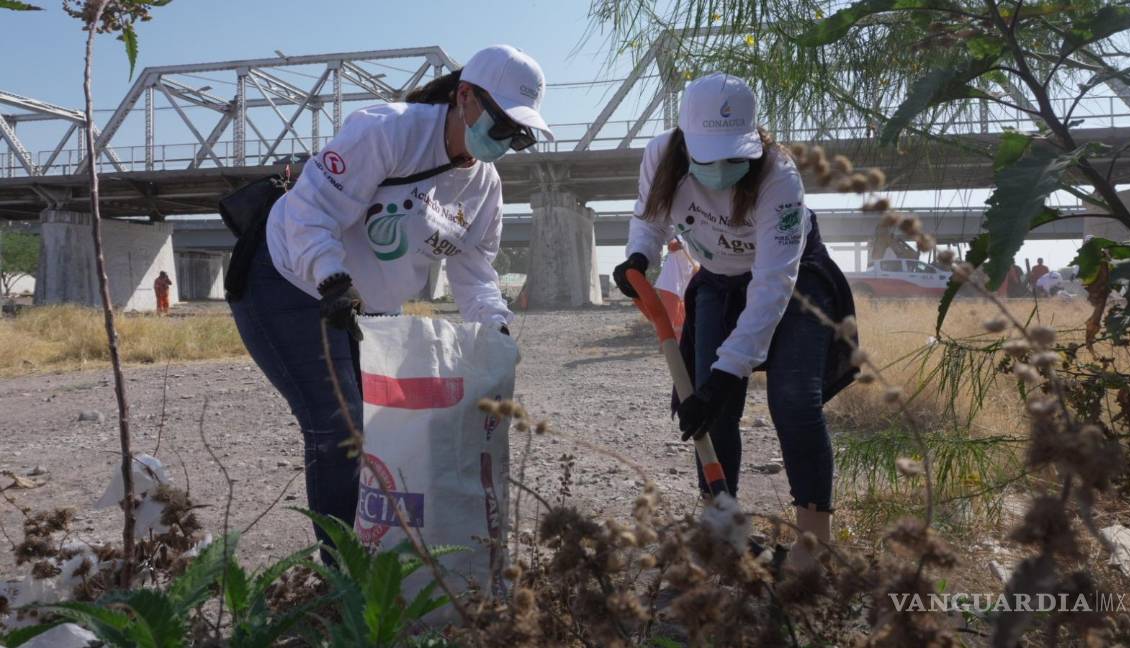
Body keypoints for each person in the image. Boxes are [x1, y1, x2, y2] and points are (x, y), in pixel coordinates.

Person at [228, 45, 553, 551]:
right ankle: (345, 579)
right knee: (340, 429)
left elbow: (474, 271)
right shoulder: (388, 130)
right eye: (502, 123)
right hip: (289, 282)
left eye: (519, 134)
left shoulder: (485, 187)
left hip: (371, 307)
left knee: (387, 434)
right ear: (465, 96)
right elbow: (309, 212)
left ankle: (386, 561)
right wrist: (333, 279)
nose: (507, 140)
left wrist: (495, 326)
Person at [612, 73, 857, 569]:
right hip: (718, 281)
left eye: (733, 156)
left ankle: (812, 550)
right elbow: (650, 219)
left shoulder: (778, 176)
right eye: (710, 156)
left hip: (793, 281)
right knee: (709, 411)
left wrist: (731, 370)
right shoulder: (662, 156)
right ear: (685, 140)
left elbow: (772, 285)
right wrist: (638, 256)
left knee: (794, 400)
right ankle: (721, 531)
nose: (723, 167)